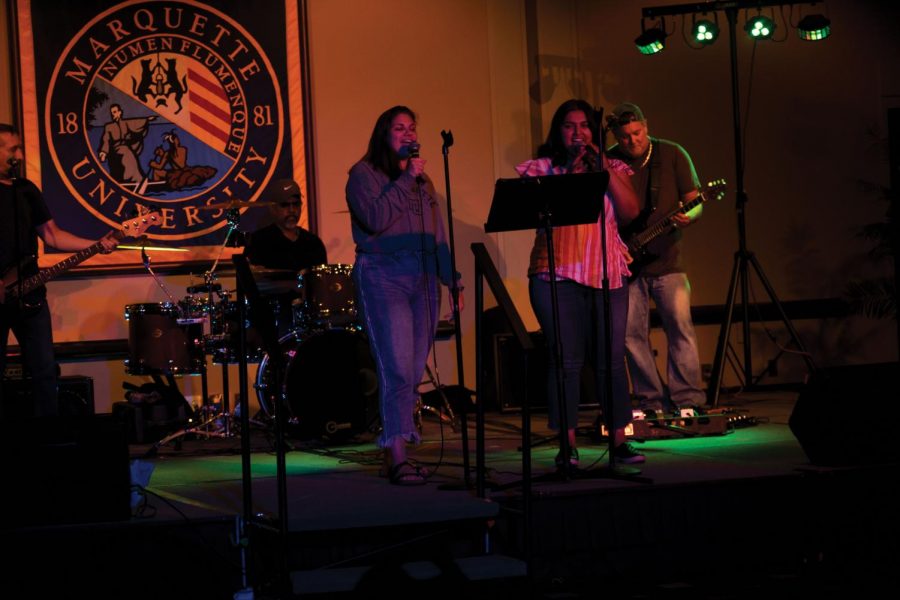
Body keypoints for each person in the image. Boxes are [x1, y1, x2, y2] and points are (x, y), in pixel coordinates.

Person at [517, 99, 644, 467]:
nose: (578, 133)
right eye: (570, 126)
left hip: (606, 273)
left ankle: (619, 442)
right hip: (556, 274)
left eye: (585, 126)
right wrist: (569, 172)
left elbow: (631, 212)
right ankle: (567, 445)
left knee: (611, 360)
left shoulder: (613, 166)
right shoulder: (543, 167)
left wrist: (602, 167)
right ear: (559, 132)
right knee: (566, 360)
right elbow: (534, 210)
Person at [345, 105, 462, 485]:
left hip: (424, 278)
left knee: (412, 372)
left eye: (412, 128)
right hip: (384, 276)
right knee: (395, 368)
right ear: (384, 135)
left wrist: (451, 278)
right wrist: (405, 179)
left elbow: (436, 231)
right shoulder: (363, 175)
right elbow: (376, 219)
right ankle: (397, 455)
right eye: (399, 128)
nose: (409, 134)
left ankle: (392, 451)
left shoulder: (423, 181)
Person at [1, 123, 119, 417]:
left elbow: (52, 235)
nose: (17, 154)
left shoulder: (26, 190)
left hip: (29, 293)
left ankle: (49, 439)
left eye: (18, 147)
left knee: (44, 369)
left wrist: (97, 243)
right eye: (11, 148)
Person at [606, 102, 706, 415]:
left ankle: (687, 399)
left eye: (636, 133)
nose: (631, 141)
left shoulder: (672, 154)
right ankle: (650, 400)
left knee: (680, 327)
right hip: (626, 262)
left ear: (646, 126)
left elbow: (695, 201)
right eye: (624, 137)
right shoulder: (608, 160)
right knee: (631, 335)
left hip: (668, 259)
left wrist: (691, 216)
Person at [244, 178, 327, 336]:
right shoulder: (258, 241)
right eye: (285, 205)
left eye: (295, 204)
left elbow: (321, 285)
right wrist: (291, 285)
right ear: (272, 208)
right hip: (272, 320)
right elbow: (251, 285)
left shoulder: (313, 243)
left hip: (309, 320)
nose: (291, 210)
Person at [97, 103, 156, 185]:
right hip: (115, 149)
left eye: (114, 112)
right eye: (112, 113)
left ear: (119, 112)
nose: (112, 114)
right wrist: (103, 152)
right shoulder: (109, 126)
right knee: (127, 152)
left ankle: (136, 178)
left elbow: (136, 122)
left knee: (127, 150)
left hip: (126, 146)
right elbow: (105, 140)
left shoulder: (125, 123)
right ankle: (134, 178)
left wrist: (147, 119)